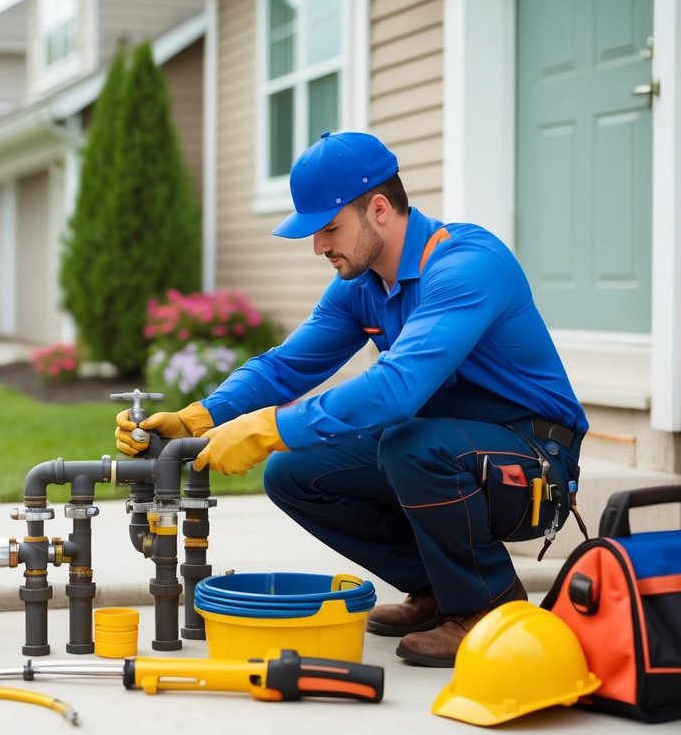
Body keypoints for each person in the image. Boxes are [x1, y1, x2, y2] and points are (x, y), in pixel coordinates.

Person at [115, 131, 587, 668]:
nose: (319, 246)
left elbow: (396, 389)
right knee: (293, 473)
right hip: (450, 448)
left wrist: (271, 427)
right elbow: (285, 365)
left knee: (408, 443)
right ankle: (438, 590)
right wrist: (197, 417)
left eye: (330, 228)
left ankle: (486, 607)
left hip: (534, 460)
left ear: (379, 209)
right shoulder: (359, 285)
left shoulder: (466, 267)